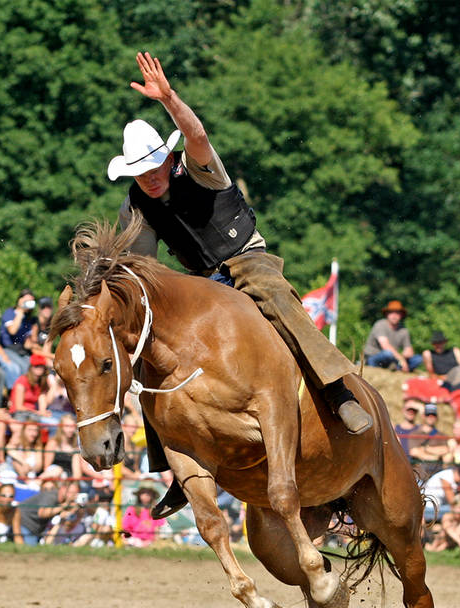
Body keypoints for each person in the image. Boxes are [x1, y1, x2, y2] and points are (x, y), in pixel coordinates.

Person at [107, 51, 372, 518]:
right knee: (153, 345)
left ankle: (337, 391)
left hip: (246, 258)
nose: (147, 177)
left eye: (152, 166)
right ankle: (175, 466)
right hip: (201, 281)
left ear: (168, 158)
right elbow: (141, 262)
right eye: (139, 171)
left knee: (274, 296)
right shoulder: (137, 205)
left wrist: (168, 98)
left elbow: (197, 133)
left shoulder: (201, 167)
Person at [17, 466, 71, 546]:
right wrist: (64, 507)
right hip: (25, 523)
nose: (72, 496)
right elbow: (42, 513)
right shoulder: (52, 495)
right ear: (63, 489)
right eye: (70, 492)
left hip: (30, 526)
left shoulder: (56, 498)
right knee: (30, 552)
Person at [364, 300, 422, 372]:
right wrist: (401, 358)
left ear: (401, 315)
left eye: (397, 313)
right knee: (388, 354)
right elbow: (385, 346)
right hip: (374, 357)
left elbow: (409, 351)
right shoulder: (380, 325)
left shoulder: (403, 330)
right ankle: (398, 367)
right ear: (387, 314)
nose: (394, 315)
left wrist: (405, 354)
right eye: (391, 312)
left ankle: (398, 368)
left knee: (418, 358)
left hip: (393, 358)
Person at [0, 289, 39, 387]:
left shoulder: (28, 319)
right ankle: (14, 394)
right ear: (20, 300)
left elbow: (28, 342)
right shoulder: (10, 312)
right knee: (20, 368)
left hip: (20, 351)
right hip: (7, 349)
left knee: (34, 368)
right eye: (26, 300)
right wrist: (20, 310)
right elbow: (12, 331)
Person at [408, 403, 450, 479]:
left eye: (433, 415)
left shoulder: (441, 435)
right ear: (423, 416)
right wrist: (435, 456)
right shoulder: (414, 434)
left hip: (436, 476)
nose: (431, 417)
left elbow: (445, 450)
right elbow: (414, 452)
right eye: (428, 415)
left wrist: (425, 449)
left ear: (436, 417)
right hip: (419, 476)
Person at [122, 480, 166, 547]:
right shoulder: (131, 509)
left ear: (152, 495)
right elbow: (126, 528)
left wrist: (155, 542)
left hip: (150, 541)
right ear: (139, 495)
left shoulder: (156, 511)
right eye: (143, 493)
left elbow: (157, 529)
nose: (145, 495)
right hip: (134, 540)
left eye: (148, 493)